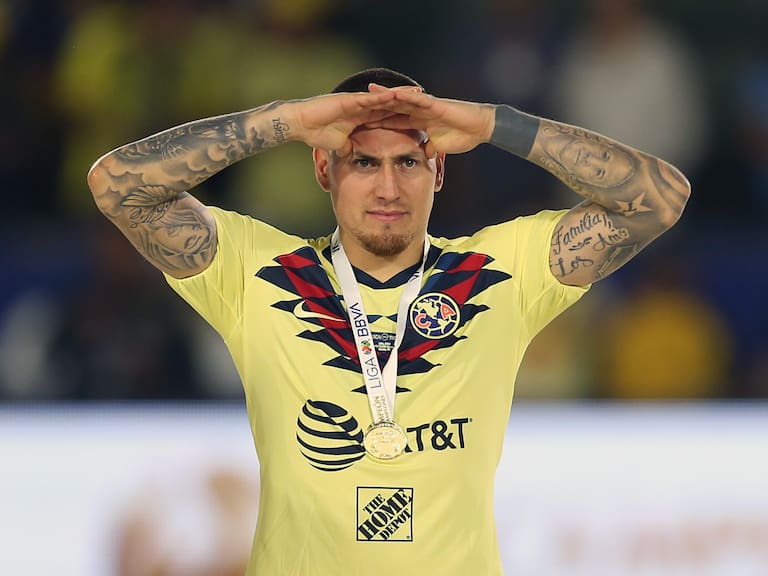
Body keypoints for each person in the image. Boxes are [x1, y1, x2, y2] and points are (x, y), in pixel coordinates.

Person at [87, 68, 690, 575]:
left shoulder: (502, 272)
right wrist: (288, 120)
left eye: (409, 161)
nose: (388, 188)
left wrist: (491, 123)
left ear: (439, 172)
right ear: (324, 169)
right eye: (363, 162)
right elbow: (117, 185)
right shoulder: (257, 273)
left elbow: (659, 198)